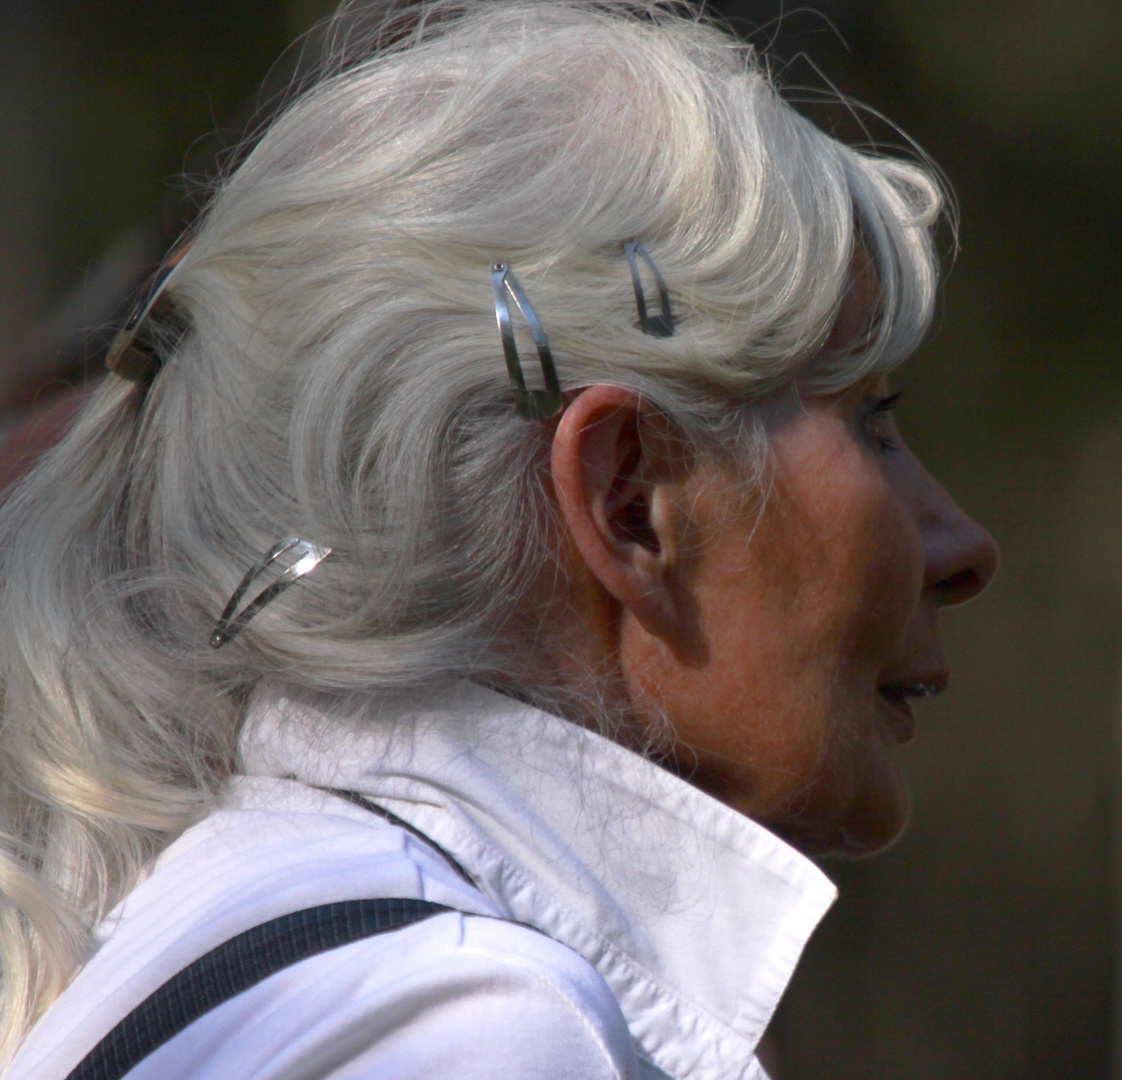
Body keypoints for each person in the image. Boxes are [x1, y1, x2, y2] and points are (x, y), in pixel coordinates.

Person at [0, 2, 998, 1078]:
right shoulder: (471, 1029)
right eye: (871, 426)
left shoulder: (229, 938)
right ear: (631, 504)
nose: (962, 543)